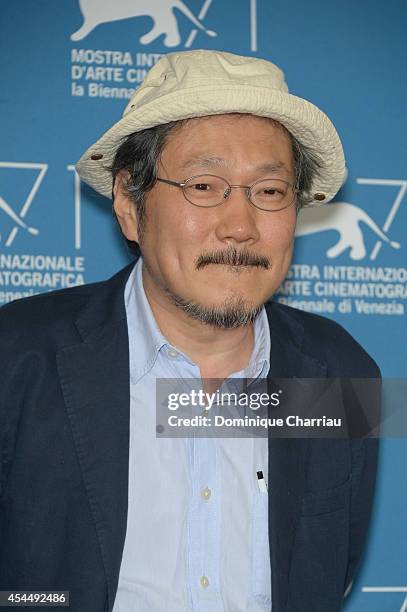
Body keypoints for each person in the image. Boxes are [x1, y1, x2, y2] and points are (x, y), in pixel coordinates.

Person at [0, 50, 379, 612]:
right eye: (205, 186)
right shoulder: (18, 357)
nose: (241, 226)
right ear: (130, 204)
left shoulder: (342, 370)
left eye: (270, 192)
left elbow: (330, 572)